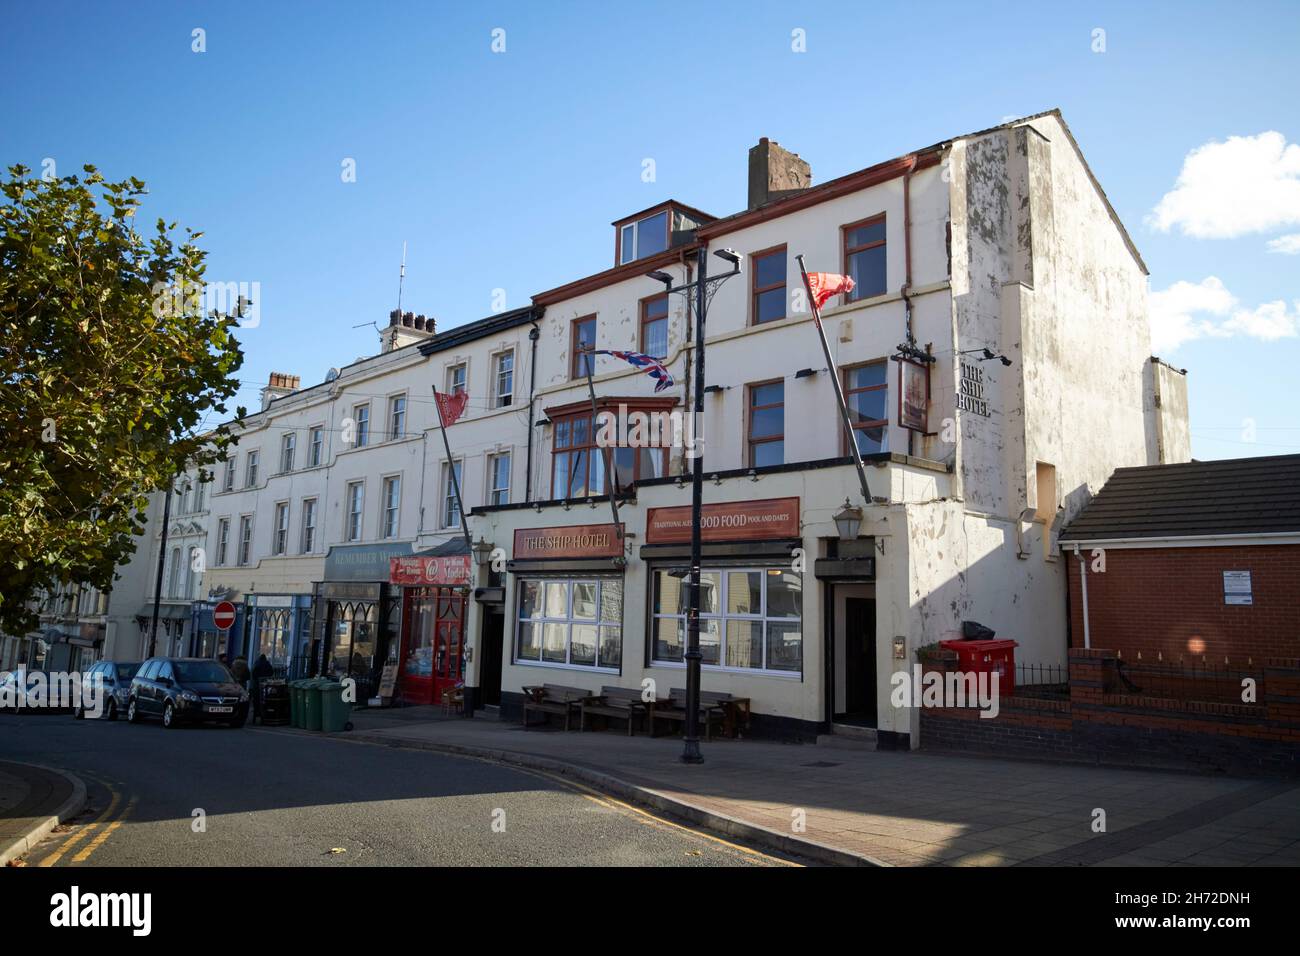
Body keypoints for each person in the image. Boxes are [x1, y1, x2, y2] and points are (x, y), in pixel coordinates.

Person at [250, 654, 273, 721]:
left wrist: (256, 680)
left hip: (257, 685)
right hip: (265, 685)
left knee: (257, 700)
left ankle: (256, 713)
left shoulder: (257, 663)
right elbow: (271, 672)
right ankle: (264, 714)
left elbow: (254, 674)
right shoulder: (267, 664)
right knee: (265, 700)